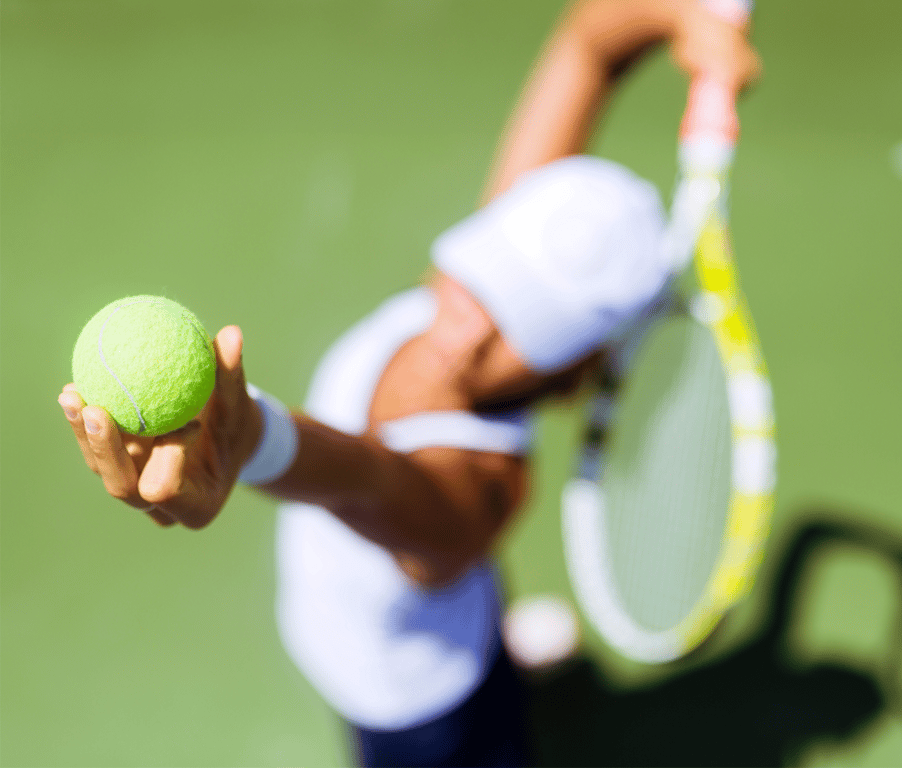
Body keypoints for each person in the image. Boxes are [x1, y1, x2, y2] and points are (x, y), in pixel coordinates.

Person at [58, 1, 760, 765]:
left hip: (417, 705)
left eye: (520, 324)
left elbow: (367, 479)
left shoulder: (479, 486)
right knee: (479, 606)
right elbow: (588, 48)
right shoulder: (491, 278)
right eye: (487, 278)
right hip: (346, 619)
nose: (469, 320)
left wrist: (249, 439)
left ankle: (494, 660)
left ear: (570, 378)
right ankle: (497, 634)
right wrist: (680, 19)